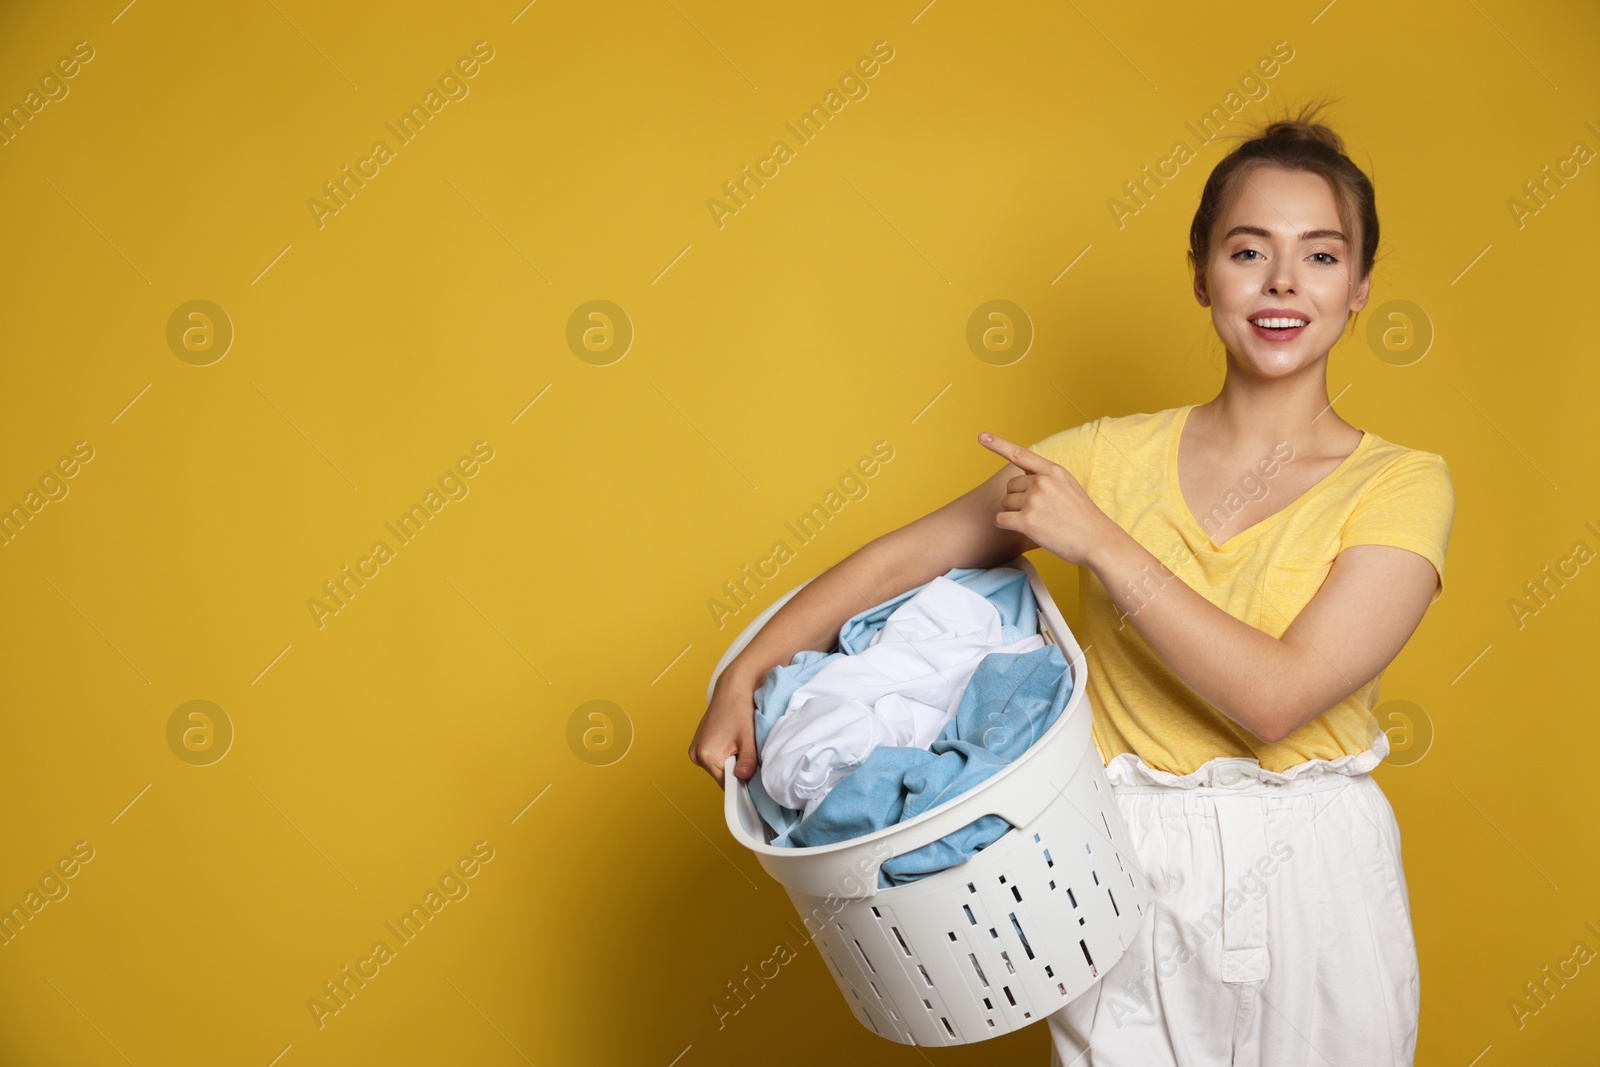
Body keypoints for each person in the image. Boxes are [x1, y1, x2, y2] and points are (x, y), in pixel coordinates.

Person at [689, 100, 1452, 1066]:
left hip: (1315, 864)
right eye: (1249, 250)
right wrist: (742, 674)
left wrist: (1097, 541)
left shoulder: (1400, 483)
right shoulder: (1103, 457)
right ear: (1201, 273)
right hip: (1119, 855)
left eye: (1322, 255)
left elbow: (1278, 698)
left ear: (1361, 287)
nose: (1283, 282)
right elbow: (902, 559)